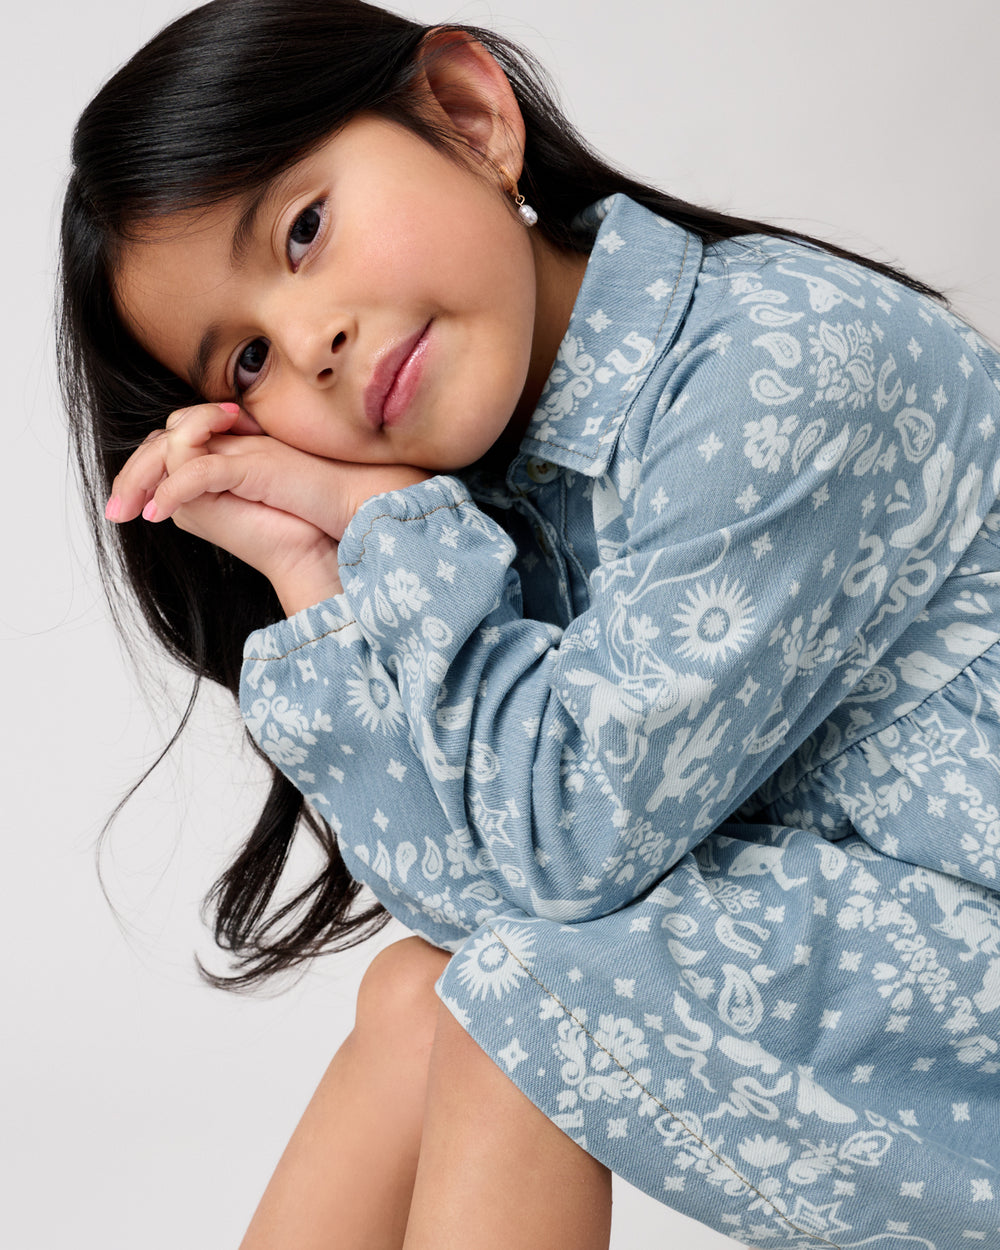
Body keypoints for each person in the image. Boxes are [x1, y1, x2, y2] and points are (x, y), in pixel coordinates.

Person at [59, 0, 1000, 1245]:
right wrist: (305, 563)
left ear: (467, 113)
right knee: (422, 990)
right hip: (920, 963)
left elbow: (561, 860)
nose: (313, 344)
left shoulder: (779, 362)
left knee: (528, 994)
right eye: (242, 366)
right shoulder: (497, 504)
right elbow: (473, 899)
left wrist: (384, 531)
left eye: (303, 229)